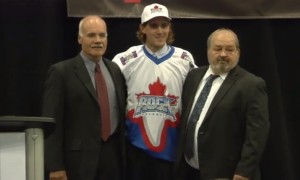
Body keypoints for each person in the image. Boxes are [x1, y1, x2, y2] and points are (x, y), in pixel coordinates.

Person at [112, 3, 196, 180]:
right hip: (136, 148)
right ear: (143, 28)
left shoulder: (184, 59)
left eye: (164, 25)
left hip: (172, 149)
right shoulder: (126, 59)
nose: (160, 31)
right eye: (153, 25)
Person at [174, 28, 270, 180]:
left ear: (238, 52)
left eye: (229, 49)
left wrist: (243, 172)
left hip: (226, 173)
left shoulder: (252, 85)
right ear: (208, 51)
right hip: (188, 169)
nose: (223, 54)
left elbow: (256, 136)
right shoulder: (194, 76)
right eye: (218, 49)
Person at [42, 15, 127, 180]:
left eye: (102, 35)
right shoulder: (61, 72)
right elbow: (51, 124)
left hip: (112, 158)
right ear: (80, 38)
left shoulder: (115, 70)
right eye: (91, 35)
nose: (98, 40)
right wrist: (55, 166)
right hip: (77, 161)